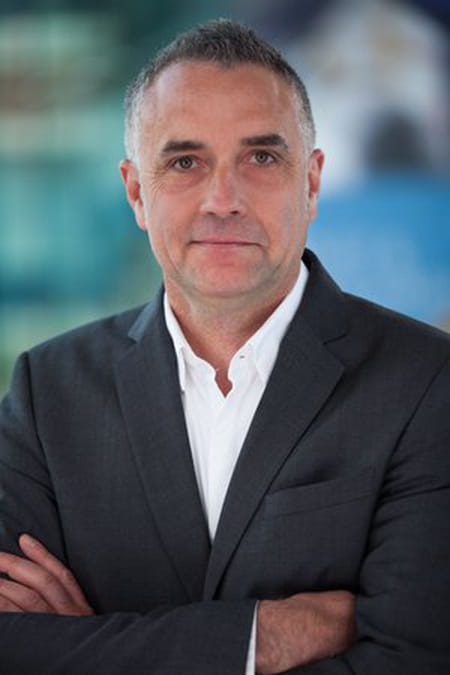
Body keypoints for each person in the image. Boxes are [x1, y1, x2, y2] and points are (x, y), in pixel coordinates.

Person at [0, 19, 449, 675]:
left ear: (312, 182)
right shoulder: (47, 391)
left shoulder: (427, 383)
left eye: (261, 157)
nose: (223, 200)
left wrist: (90, 645)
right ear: (136, 192)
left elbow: (412, 661)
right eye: (186, 162)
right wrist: (259, 637)